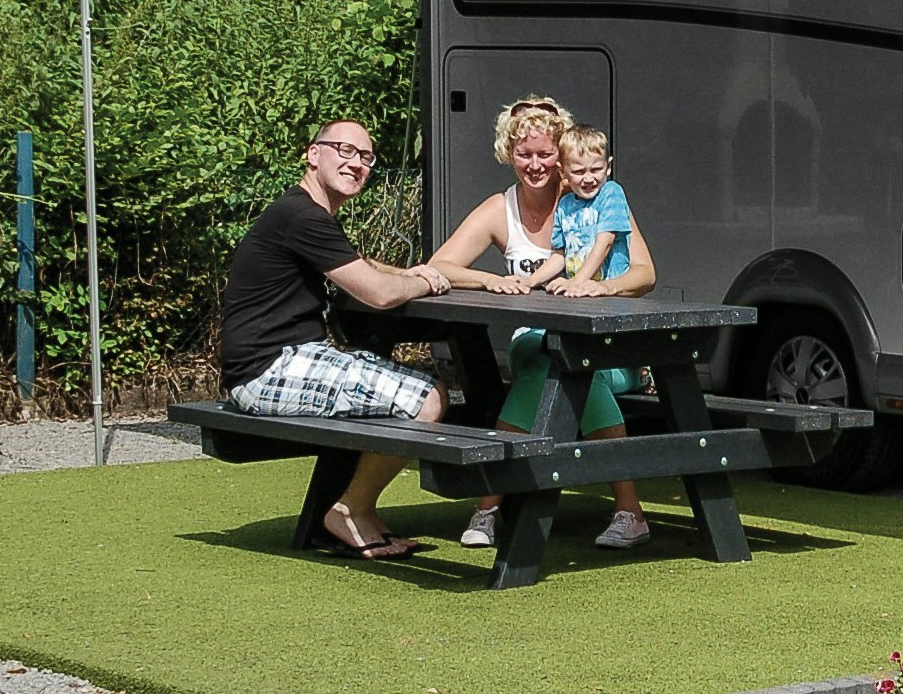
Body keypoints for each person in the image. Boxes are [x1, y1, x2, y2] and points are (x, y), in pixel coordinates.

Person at [423, 95, 659, 550]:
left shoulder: (597, 193)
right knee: (548, 357)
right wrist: (494, 280)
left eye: (545, 154)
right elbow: (442, 264)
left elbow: (645, 274)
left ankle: (488, 506)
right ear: (508, 154)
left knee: (563, 366)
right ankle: (629, 511)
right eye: (524, 154)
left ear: (564, 155)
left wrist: (602, 288)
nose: (535, 165)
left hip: (611, 348)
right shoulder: (500, 208)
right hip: (537, 340)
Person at [218, 121, 457, 560]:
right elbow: (379, 293)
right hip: (267, 369)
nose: (356, 164)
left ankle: (354, 510)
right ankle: (350, 511)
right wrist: (425, 283)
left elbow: (360, 265)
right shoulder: (302, 215)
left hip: (283, 360)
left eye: (366, 157)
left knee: (407, 384)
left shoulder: (304, 213)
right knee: (428, 396)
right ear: (313, 154)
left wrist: (411, 272)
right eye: (345, 150)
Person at [549, 125, 634, 289]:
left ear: (608, 166)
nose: (588, 178)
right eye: (579, 172)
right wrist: (530, 281)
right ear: (562, 172)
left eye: (596, 170)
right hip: (580, 293)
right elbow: (559, 255)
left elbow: (605, 243)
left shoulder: (611, 193)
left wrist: (575, 282)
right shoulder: (564, 205)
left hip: (611, 297)